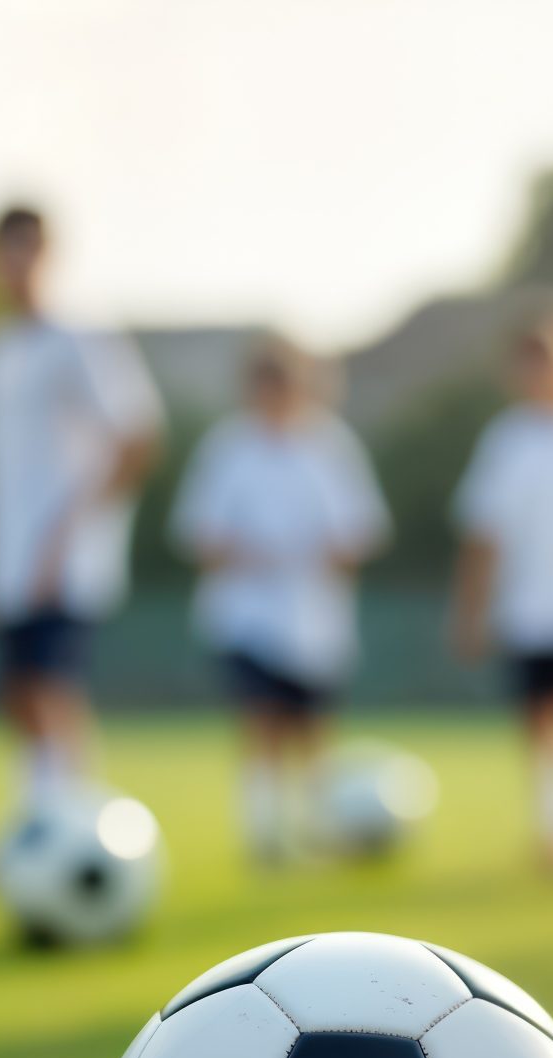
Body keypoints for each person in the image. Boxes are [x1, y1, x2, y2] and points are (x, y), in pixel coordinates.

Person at [0, 206, 164, 812]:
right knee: (15, 693)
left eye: (28, 249)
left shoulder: (83, 340)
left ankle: (74, 820)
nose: (16, 264)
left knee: (52, 689)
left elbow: (137, 439)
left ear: (49, 255)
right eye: (5, 250)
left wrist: (72, 529)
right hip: (5, 555)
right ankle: (36, 817)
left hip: (64, 558)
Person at [172, 334, 391, 866]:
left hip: (315, 622)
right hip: (245, 617)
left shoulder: (331, 446)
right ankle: (264, 833)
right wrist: (249, 556)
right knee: (260, 720)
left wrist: (318, 555)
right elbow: (197, 533)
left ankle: (318, 828)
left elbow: (363, 531)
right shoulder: (228, 447)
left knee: (312, 731)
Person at [449, 299, 553, 872]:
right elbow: (484, 531)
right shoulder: (508, 440)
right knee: (540, 719)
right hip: (528, 609)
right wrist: (471, 611)